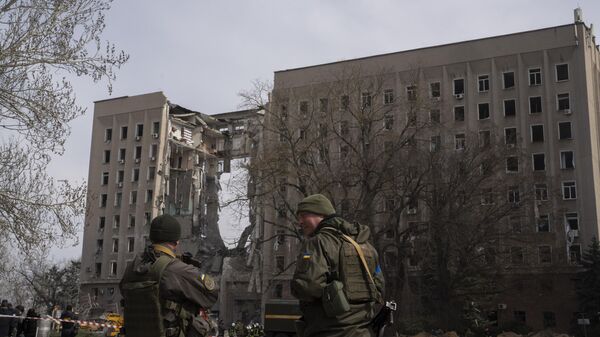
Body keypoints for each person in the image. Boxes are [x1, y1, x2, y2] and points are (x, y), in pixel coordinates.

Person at [291, 194, 385, 337]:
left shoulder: (318, 243)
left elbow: (308, 288)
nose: (300, 222)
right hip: (363, 331)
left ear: (321, 214)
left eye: (304, 215)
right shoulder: (366, 245)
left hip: (328, 331)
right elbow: (379, 287)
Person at [120, 214, 219, 337]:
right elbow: (211, 294)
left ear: (152, 238)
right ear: (176, 241)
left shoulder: (131, 269)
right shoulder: (177, 269)